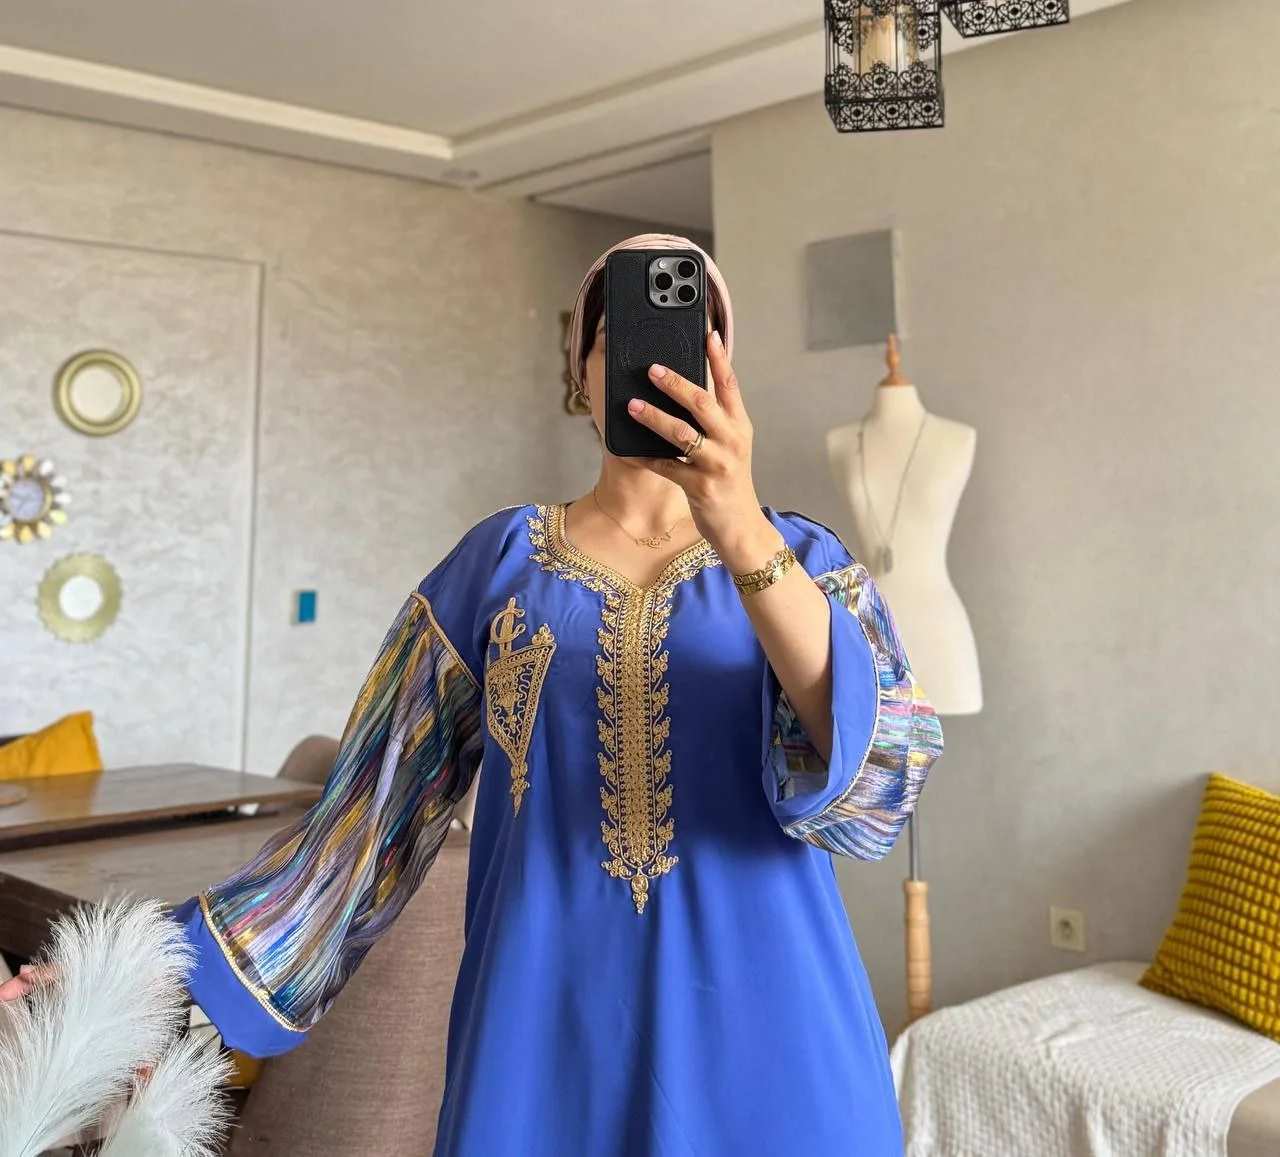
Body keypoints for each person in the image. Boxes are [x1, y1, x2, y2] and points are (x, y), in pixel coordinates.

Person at [1, 234, 943, 1156]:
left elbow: (879, 788)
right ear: (581, 372)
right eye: (618, 336)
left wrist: (738, 524)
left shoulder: (803, 558)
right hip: (543, 1040)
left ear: (723, 366)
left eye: (686, 337)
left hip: (778, 1039)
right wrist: (126, 983)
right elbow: (363, 828)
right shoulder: (497, 566)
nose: (652, 362)